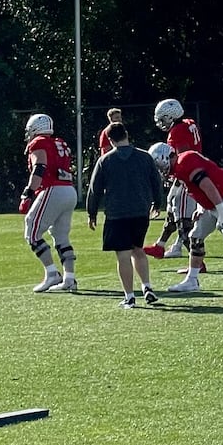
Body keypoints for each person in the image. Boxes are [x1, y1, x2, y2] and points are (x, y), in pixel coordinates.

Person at [150, 144, 223, 294]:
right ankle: (192, 280)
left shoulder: (184, 162)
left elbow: (208, 186)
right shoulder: (180, 166)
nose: (158, 169)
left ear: (163, 158)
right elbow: (198, 189)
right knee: (195, 237)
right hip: (212, 203)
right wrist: (201, 208)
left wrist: (221, 213)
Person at [85, 122, 164, 308]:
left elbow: (94, 190)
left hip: (117, 214)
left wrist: (92, 213)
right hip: (140, 212)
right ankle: (147, 287)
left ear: (110, 140)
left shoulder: (106, 160)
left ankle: (129, 296)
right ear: (127, 134)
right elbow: (156, 182)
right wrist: (157, 203)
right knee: (138, 250)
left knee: (123, 255)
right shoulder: (144, 157)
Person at [19, 113, 79, 293]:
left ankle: (52, 274)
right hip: (69, 190)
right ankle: (69, 278)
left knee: (32, 230)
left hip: (53, 189)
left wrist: (28, 193)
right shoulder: (59, 142)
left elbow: (40, 167)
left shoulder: (39, 143)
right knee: (61, 236)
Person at [144, 97, 202, 259]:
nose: (162, 122)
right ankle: (161, 245)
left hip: (187, 175)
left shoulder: (177, 131)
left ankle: (196, 259)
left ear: (171, 116)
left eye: (163, 118)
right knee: (171, 207)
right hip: (193, 170)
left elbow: (182, 156)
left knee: (183, 217)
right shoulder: (189, 123)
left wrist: (174, 172)